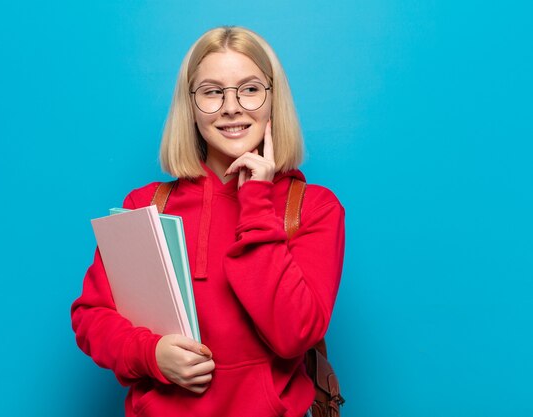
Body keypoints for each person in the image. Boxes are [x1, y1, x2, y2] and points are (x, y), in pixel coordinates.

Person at [71, 26, 345, 417]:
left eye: (249, 89)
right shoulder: (147, 205)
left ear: (272, 99)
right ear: (191, 105)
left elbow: (293, 336)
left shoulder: (312, 207)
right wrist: (150, 354)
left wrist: (256, 199)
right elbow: (92, 317)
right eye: (212, 92)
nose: (231, 107)